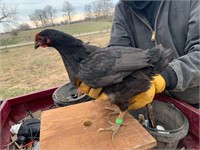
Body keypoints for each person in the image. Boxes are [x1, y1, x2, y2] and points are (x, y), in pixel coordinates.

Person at [106, 0, 200, 106]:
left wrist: (167, 76)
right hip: (151, 99)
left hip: (193, 100)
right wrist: (104, 72)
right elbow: (118, 52)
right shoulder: (123, 8)